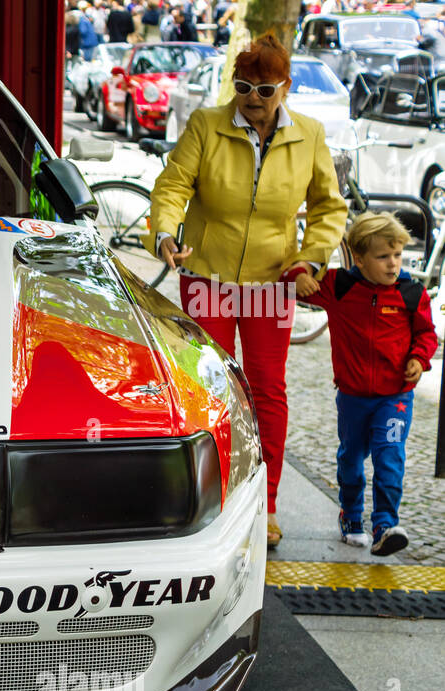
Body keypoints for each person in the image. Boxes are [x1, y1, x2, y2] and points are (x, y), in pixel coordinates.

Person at [146, 33, 347, 547]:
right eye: (242, 87)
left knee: (266, 390)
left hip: (271, 282)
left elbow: (329, 208)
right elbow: (173, 186)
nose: (252, 99)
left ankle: (268, 501)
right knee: (208, 386)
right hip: (207, 275)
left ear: (285, 88)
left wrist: (311, 258)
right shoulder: (207, 125)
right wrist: (167, 233)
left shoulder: (310, 135)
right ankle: (207, 497)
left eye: (264, 90)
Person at [289, 213, 438, 556]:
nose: (393, 264)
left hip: (395, 397)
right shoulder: (340, 285)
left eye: (397, 255)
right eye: (383, 257)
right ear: (358, 258)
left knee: (389, 459)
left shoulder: (411, 292)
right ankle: (351, 515)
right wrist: (299, 276)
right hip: (353, 397)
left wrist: (418, 358)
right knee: (351, 461)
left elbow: (426, 334)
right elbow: (290, 279)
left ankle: (385, 525)